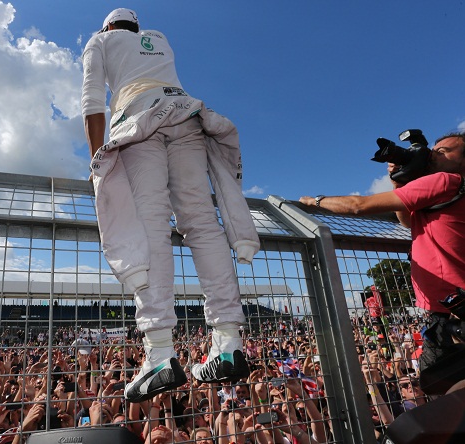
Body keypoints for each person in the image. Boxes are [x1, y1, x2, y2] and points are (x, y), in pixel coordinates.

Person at [81, 8, 260, 402]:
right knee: (202, 224)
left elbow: (93, 103)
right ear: (136, 27)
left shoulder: (100, 40)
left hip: (138, 121)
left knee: (151, 230)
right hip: (186, 116)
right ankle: (228, 342)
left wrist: (98, 161)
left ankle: (160, 352)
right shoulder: (159, 37)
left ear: (107, 27)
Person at [300, 131, 465, 388]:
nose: (433, 154)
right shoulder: (451, 189)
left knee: (441, 390)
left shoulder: (445, 181)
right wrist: (399, 184)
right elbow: (408, 221)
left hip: (454, 310)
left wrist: (316, 201)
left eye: (444, 152)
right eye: (434, 149)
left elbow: (359, 205)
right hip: (448, 307)